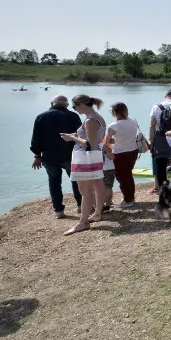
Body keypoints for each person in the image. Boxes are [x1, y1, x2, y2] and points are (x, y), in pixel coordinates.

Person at [59, 94, 107, 235]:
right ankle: (97, 213)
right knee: (98, 184)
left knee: (85, 191)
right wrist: (77, 135)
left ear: (82, 105)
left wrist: (72, 138)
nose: (74, 109)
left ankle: (83, 222)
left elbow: (91, 144)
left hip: (85, 157)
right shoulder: (98, 117)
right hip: (96, 156)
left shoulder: (90, 120)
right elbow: (95, 139)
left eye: (74, 107)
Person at [30, 95, 83, 218]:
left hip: (49, 156)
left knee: (54, 182)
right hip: (70, 155)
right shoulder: (73, 116)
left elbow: (35, 139)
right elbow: (80, 136)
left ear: (51, 103)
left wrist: (37, 156)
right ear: (67, 105)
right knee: (77, 180)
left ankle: (58, 211)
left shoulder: (41, 117)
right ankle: (81, 206)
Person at [105, 102, 140, 209]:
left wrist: (108, 153)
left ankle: (128, 200)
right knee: (128, 175)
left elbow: (106, 143)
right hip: (133, 151)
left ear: (114, 112)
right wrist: (115, 140)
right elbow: (126, 136)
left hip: (120, 154)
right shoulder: (133, 121)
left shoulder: (113, 126)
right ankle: (130, 197)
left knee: (122, 177)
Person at [149, 89, 171, 193]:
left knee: (161, 165)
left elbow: (152, 126)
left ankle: (163, 190)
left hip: (160, 137)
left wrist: (151, 143)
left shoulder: (156, 106)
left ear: (165, 95)